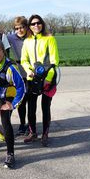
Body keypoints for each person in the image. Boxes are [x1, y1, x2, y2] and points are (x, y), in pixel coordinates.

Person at [21, 14, 59, 147]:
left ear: (42, 24)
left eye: (38, 23)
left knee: (45, 107)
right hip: (33, 78)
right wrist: (28, 70)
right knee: (31, 107)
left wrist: (48, 79)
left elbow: (54, 62)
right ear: (29, 27)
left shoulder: (50, 39)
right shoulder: (27, 41)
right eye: (33, 24)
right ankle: (33, 133)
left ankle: (45, 134)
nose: (36, 26)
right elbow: (24, 60)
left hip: (48, 78)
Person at [0, 40, 25, 169]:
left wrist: (13, 104)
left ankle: (10, 154)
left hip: (7, 95)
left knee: (5, 122)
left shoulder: (10, 67)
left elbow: (21, 87)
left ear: (3, 52)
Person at [7, 16, 29, 136]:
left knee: (30, 100)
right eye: (17, 28)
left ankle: (30, 125)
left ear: (26, 27)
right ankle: (22, 124)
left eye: (22, 27)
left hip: (30, 71)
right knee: (21, 100)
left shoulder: (31, 38)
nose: (19, 30)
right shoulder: (11, 37)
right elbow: (1, 39)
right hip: (19, 71)